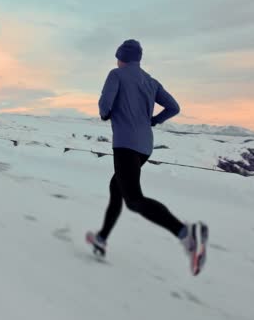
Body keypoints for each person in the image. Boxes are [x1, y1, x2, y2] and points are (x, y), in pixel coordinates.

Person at [86, 39, 209, 276]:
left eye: (118, 57)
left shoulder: (116, 74)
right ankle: (101, 238)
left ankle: (185, 233)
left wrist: (107, 112)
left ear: (122, 57)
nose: (117, 61)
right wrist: (153, 120)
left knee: (133, 200)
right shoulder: (151, 81)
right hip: (144, 146)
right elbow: (173, 107)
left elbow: (104, 108)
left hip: (125, 144)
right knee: (116, 188)